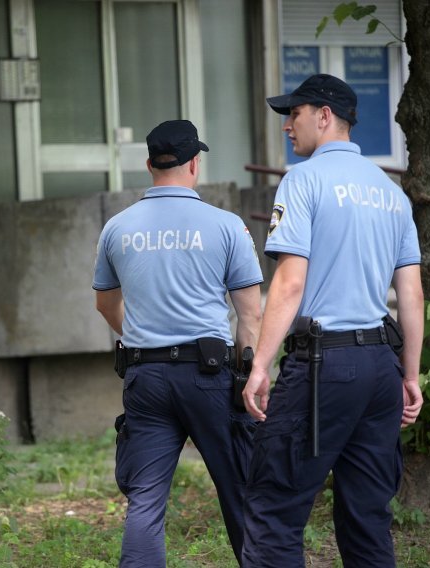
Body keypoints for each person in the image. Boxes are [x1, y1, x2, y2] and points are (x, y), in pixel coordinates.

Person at [241, 74, 424, 567]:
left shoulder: (302, 181)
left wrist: (260, 365)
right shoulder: (392, 193)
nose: (286, 126)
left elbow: (289, 283)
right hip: (379, 371)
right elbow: (411, 292)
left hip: (323, 368)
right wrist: (409, 375)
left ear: (324, 116)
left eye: (293, 114)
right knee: (367, 518)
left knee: (274, 512)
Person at [93, 119, 263, 567]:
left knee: (145, 501)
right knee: (242, 492)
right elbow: (251, 314)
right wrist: (250, 374)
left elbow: (105, 304)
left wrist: (140, 336)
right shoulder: (227, 226)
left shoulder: (117, 227)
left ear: (149, 164)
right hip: (210, 377)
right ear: (194, 164)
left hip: (145, 377)